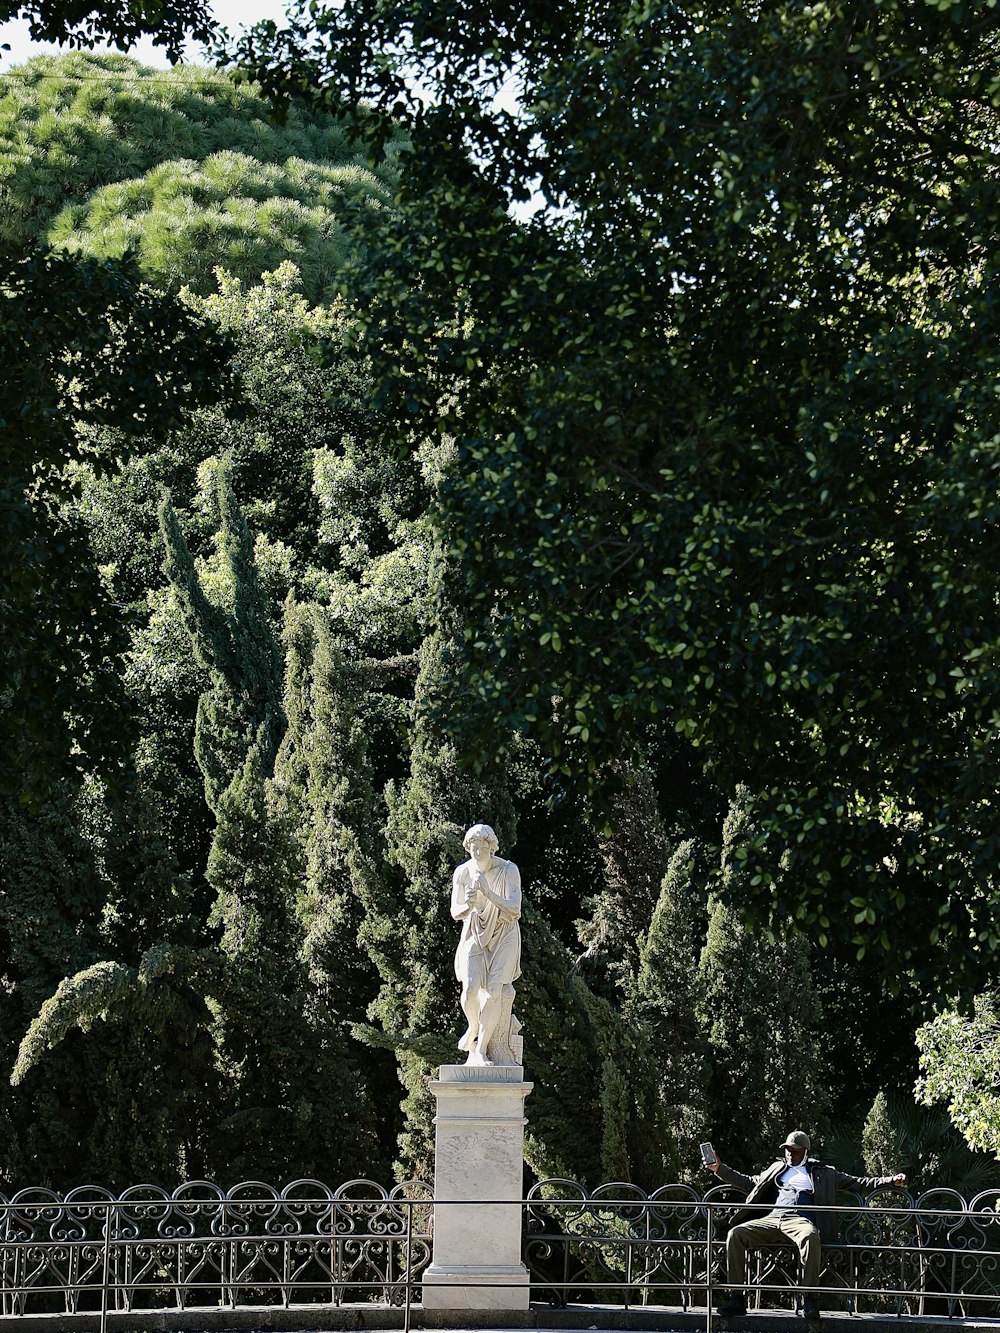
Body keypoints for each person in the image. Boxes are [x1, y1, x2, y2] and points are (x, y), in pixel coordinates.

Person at [706, 1130, 906, 1320]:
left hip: (800, 1220)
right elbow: (748, 1182)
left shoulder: (824, 1173)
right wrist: (719, 1168)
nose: (790, 1153)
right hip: (773, 1218)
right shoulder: (776, 1169)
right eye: (787, 1149)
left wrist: (890, 1180)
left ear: (805, 1152)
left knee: (810, 1235)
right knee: (736, 1234)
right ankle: (737, 1298)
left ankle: (810, 1299)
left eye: (794, 1150)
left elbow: (860, 1183)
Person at [451, 823, 522, 1065]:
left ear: (492, 848)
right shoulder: (462, 872)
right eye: (473, 848)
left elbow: (515, 909)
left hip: (504, 934)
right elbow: (455, 911)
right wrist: (470, 905)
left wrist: (488, 893)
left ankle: (480, 1051)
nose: (477, 853)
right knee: (470, 989)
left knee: (494, 991)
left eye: (482, 848)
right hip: (474, 931)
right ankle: (473, 1028)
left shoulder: (508, 870)